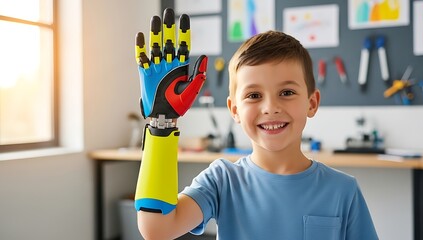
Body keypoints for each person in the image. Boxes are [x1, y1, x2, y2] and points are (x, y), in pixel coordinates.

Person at [135, 8, 379, 240]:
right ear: (234, 109)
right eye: (254, 95)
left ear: (312, 103)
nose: (270, 107)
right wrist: (162, 123)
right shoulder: (222, 180)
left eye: (286, 92)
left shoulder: (343, 190)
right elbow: (156, 230)